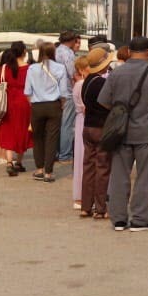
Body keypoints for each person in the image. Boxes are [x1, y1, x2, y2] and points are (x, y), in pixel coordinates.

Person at [98, 36, 148, 231]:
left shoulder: (116, 73)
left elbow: (104, 101)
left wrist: (120, 112)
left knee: (119, 175)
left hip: (120, 133)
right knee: (145, 177)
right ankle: (140, 219)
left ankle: (118, 219)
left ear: (129, 51)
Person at [23, 42, 67, 183]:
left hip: (37, 106)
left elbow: (27, 91)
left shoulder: (32, 68)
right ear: (53, 52)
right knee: (51, 139)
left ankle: (39, 169)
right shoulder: (60, 68)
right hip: (54, 105)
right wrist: (62, 104)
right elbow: (64, 92)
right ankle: (48, 172)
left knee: (38, 138)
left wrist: (33, 103)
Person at [79, 46, 115, 219]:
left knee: (88, 167)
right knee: (102, 167)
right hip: (101, 127)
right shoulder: (101, 83)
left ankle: (86, 206)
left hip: (88, 127)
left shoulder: (87, 81)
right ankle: (100, 208)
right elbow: (109, 104)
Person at [0, 46, 32, 177]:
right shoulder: (29, 69)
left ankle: (9, 162)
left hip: (8, 103)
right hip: (24, 102)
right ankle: (19, 162)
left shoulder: (4, 68)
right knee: (22, 130)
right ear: (23, 52)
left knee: (8, 131)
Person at [55, 30, 80, 163]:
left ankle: (57, 151)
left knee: (58, 123)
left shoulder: (56, 51)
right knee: (67, 124)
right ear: (72, 40)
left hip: (55, 90)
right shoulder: (68, 53)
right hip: (67, 91)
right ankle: (65, 154)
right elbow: (71, 71)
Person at [71, 55, 90, 210]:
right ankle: (81, 195)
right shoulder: (82, 84)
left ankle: (81, 195)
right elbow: (85, 107)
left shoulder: (79, 84)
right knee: (83, 156)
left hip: (80, 120)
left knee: (81, 156)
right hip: (85, 120)